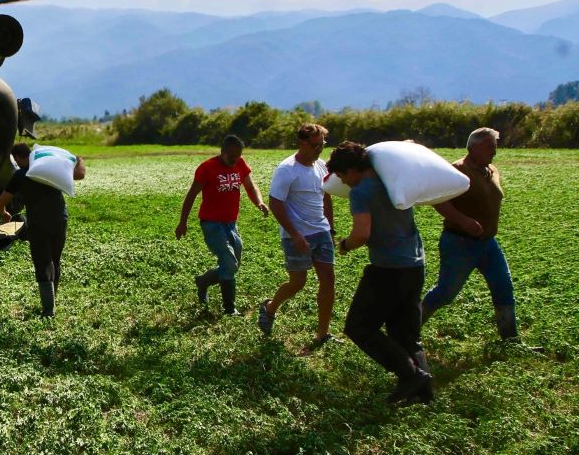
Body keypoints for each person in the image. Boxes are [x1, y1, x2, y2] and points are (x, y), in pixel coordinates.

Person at [329, 141, 433, 405]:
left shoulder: (362, 192)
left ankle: (412, 376)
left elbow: (362, 234)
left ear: (352, 170)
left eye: (342, 176)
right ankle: (423, 392)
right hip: (415, 264)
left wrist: (344, 245)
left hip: (389, 269)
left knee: (359, 327)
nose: (343, 181)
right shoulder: (392, 180)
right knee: (405, 332)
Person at [422, 127, 523, 341]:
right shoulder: (457, 170)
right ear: (473, 147)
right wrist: (464, 221)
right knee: (445, 293)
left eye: (495, 147)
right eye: (489, 147)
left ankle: (511, 339)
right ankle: (408, 328)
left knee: (503, 287)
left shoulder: (492, 170)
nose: (494, 152)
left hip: (488, 243)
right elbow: (438, 200)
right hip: (460, 243)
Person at [258, 124, 337, 348]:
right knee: (298, 282)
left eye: (322, 145)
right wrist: (295, 235)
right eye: (314, 145)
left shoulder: (321, 166)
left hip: (320, 231)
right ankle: (270, 307)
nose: (318, 149)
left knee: (328, 280)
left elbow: (326, 198)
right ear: (301, 143)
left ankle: (322, 334)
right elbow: (276, 203)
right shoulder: (287, 169)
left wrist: (330, 228)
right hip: (296, 235)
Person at [176, 135, 269, 314]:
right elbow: (191, 195)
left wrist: (259, 202)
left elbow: (250, 186)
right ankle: (229, 308)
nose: (235, 160)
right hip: (211, 223)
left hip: (231, 224)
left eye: (238, 156)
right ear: (223, 152)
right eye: (232, 156)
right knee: (229, 262)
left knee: (233, 264)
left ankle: (203, 281)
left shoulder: (240, 164)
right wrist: (183, 222)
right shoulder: (207, 168)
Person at [0, 143, 87, 318]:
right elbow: (80, 174)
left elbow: (1, 202)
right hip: (60, 219)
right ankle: (54, 300)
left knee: (42, 262)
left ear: (19, 158)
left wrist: (4, 214)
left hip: (38, 223)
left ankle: (48, 310)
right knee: (55, 259)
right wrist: (78, 159)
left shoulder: (21, 175)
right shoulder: (52, 171)